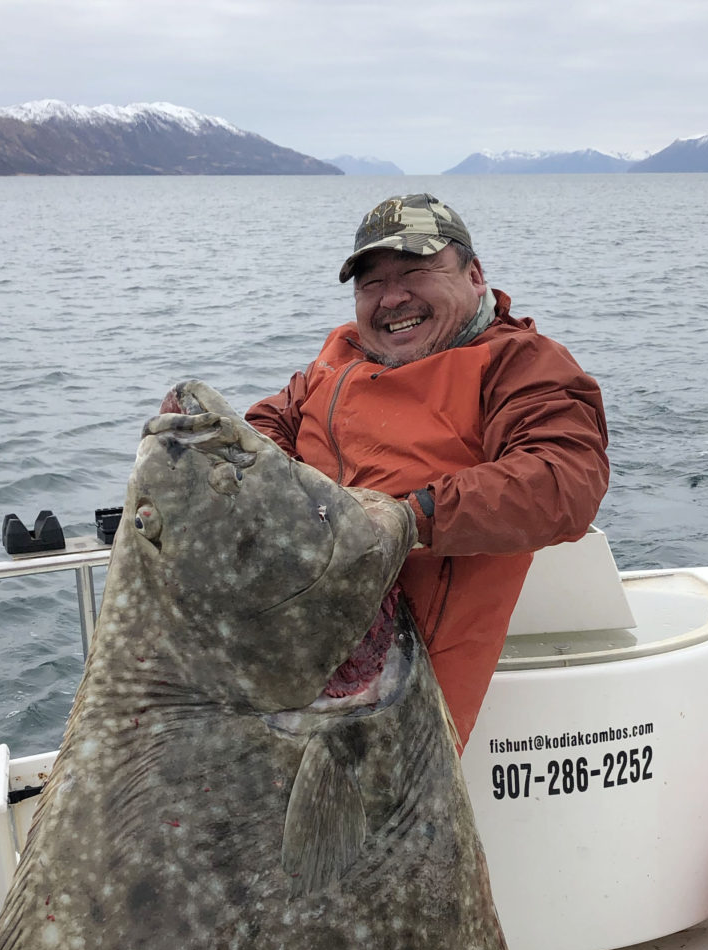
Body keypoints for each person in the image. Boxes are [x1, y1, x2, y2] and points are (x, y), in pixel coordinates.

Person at [246, 192, 610, 749]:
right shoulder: (342, 353)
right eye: (370, 284)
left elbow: (563, 478)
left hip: (392, 704)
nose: (392, 298)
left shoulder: (519, 363)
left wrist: (405, 520)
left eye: (417, 272)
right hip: (282, 663)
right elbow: (269, 422)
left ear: (475, 274)